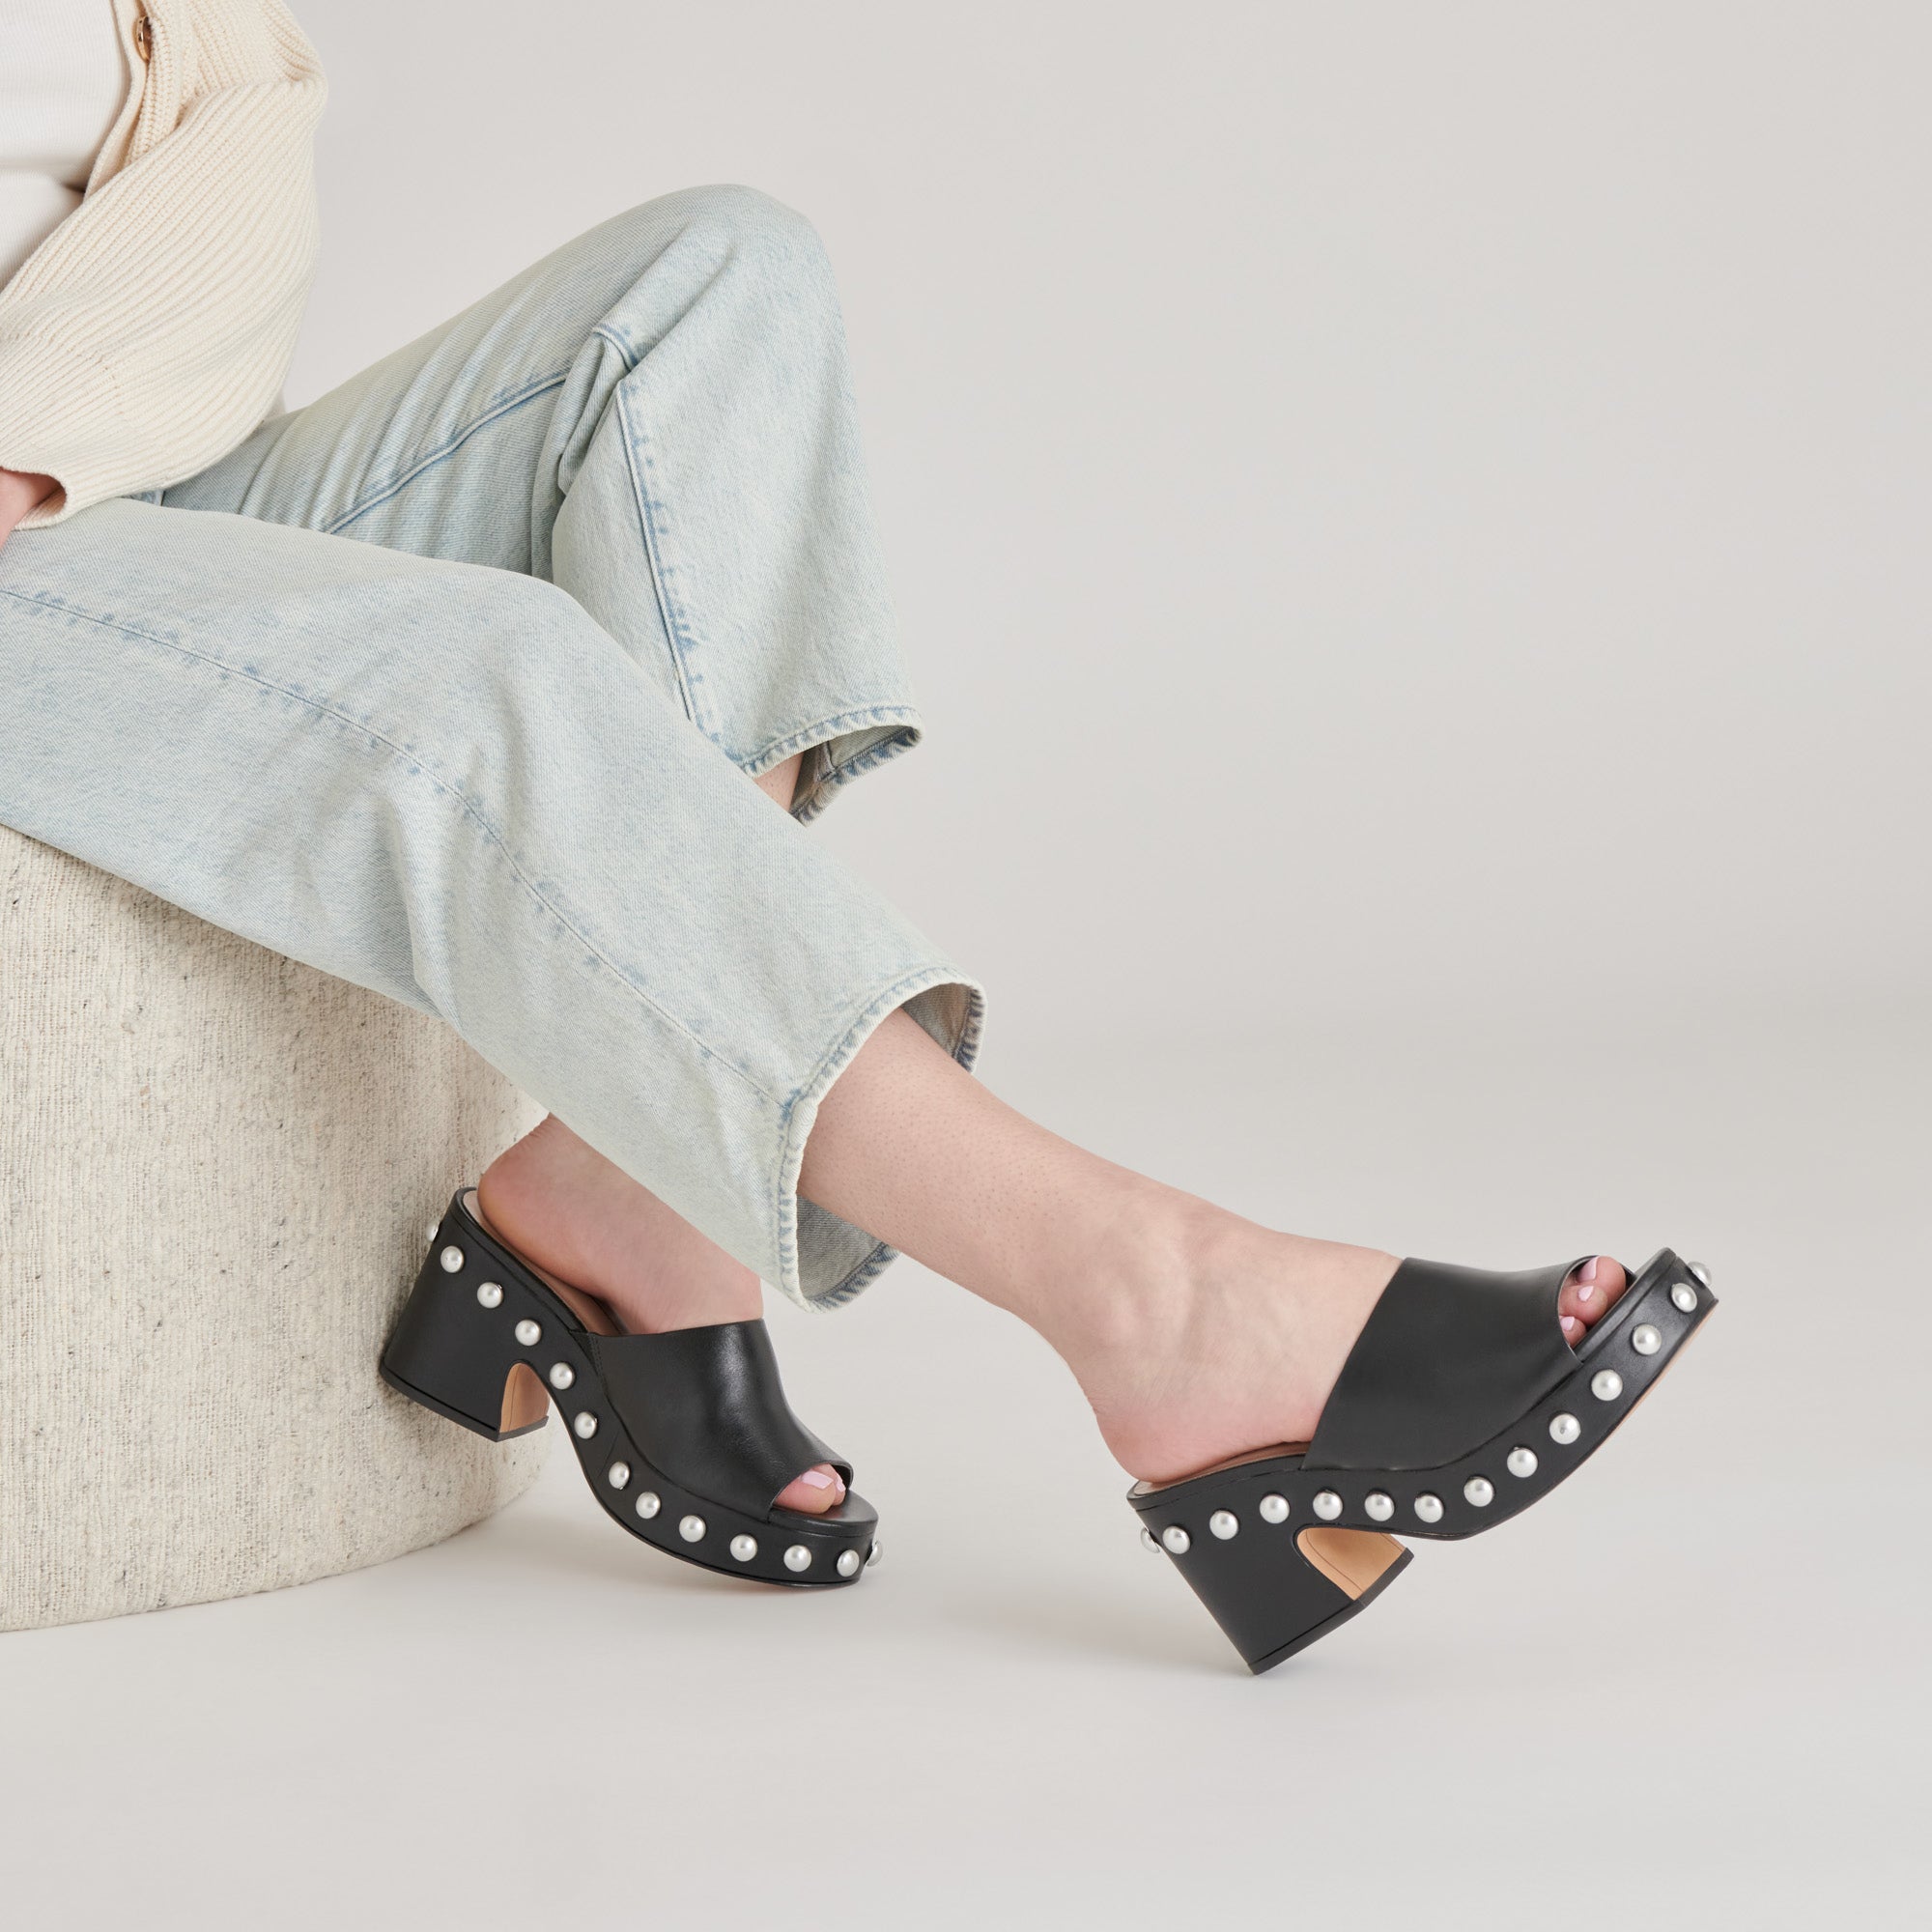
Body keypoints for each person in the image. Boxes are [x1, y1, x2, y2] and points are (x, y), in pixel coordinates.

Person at [0, 0, 1711, 1668]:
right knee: (482, 671)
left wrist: (61, 423)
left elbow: (235, 110)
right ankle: (1156, 1297)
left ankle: (632, 1184)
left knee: (723, 278)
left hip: (89, 469)